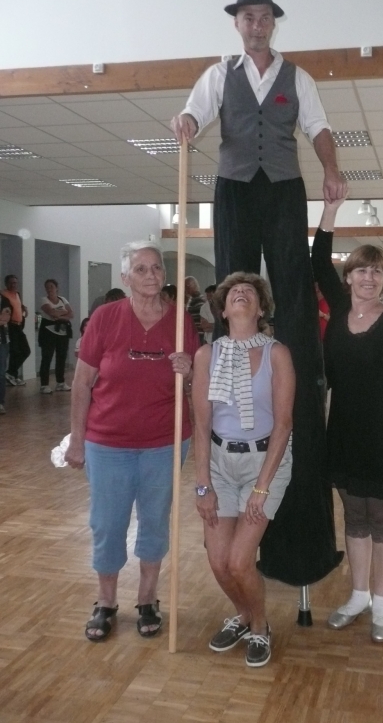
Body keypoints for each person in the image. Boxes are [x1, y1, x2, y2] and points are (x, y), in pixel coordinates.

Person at [171, 0, 345, 585]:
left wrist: (330, 169)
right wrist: (185, 121)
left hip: (285, 187)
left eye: (264, 15)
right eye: (247, 16)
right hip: (235, 186)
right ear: (238, 23)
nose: (256, 24)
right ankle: (233, 351)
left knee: (291, 279)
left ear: (273, 20)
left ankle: (292, 351)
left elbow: (318, 128)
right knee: (233, 279)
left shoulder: (299, 78)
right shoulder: (220, 74)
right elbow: (196, 111)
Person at [64, 242, 197, 642]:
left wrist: (190, 371)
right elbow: (82, 383)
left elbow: (196, 383)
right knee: (107, 522)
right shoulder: (105, 318)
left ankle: (147, 597)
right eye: (141, 269)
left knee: (155, 520)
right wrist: (76, 440)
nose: (151, 275)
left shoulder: (180, 321)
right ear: (125, 278)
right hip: (108, 443)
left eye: (156, 268)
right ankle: (106, 601)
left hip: (164, 442)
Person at [312, 194, 383, 643]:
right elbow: (317, 258)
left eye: (377, 271)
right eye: (361, 269)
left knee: (382, 518)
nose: (368, 277)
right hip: (343, 431)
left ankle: (382, 602)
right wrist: (330, 211)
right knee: (353, 516)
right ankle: (358, 595)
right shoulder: (339, 313)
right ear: (348, 277)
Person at [192, 272, 295, 667]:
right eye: (234, 291)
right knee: (218, 563)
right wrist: (203, 485)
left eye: (249, 291)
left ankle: (260, 626)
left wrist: (262, 488)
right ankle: (243, 615)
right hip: (219, 463)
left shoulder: (277, 354)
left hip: (265, 463)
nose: (240, 293)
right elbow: (202, 425)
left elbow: (284, 424)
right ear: (222, 310)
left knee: (239, 561)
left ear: (260, 308)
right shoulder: (206, 356)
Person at [38, 279, 74, 394]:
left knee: (61, 357)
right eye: (47, 287)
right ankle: (44, 385)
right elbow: (52, 313)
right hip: (48, 333)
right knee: (47, 357)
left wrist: (59, 316)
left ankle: (60, 383)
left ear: (56, 288)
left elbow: (71, 314)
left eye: (51, 286)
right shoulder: (44, 300)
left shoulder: (63, 299)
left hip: (62, 332)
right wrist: (63, 312)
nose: (49, 289)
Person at [1, 274, 30, 386]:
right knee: (15, 351)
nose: (13, 285)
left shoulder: (17, 294)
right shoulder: (3, 294)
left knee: (25, 350)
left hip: (18, 326)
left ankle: (11, 374)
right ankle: (12, 374)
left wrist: (23, 308)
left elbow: (18, 305)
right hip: (10, 326)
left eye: (15, 283)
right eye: (11, 283)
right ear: (6, 283)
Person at [185, 276, 204, 344]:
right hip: (194, 333)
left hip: (199, 333)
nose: (185, 290)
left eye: (186, 286)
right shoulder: (191, 300)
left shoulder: (199, 300)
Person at [0, 294, 11, 414]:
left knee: (1, 373)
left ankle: (0, 403)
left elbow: (5, 318)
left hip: (2, 342)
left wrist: (2, 319)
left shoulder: (4, 300)